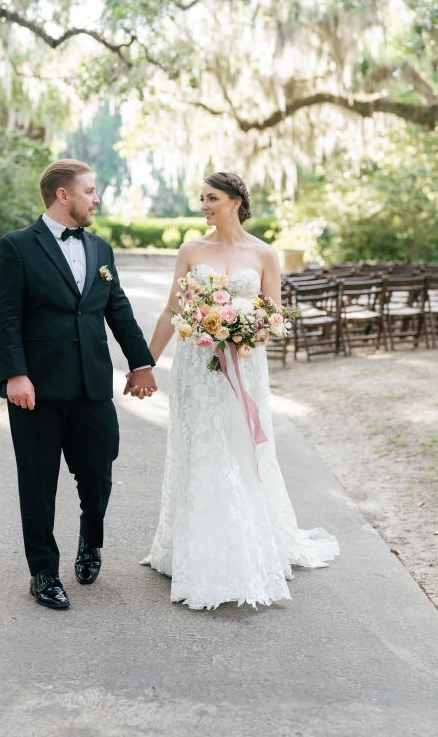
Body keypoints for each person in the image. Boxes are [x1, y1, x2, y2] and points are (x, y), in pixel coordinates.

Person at [141, 171, 339, 610]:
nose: (204, 206)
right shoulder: (191, 250)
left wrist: (241, 329)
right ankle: (194, 545)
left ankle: (246, 543)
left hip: (244, 370)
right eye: (201, 199)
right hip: (197, 368)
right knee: (203, 448)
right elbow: (170, 313)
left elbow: (274, 320)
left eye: (211, 198)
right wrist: (144, 365)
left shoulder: (265, 254)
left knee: (238, 448)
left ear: (234, 201)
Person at [0, 159, 157, 610]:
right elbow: (5, 317)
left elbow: (117, 309)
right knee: (39, 484)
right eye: (89, 191)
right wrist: (15, 374)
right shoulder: (17, 246)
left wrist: (140, 363)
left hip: (91, 386)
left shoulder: (101, 250)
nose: (97, 198)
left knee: (100, 474)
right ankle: (44, 573)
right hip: (36, 390)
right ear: (63, 195)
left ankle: (91, 541)